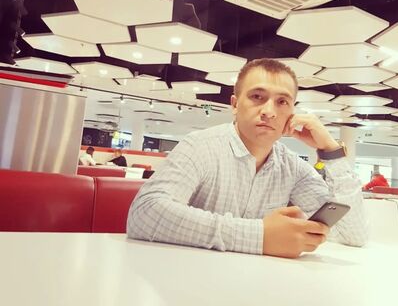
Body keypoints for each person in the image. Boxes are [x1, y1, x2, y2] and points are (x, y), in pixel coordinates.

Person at [127, 58, 368, 258]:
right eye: (257, 97)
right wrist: (259, 236)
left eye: (282, 101)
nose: (269, 111)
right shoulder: (200, 146)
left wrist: (331, 151)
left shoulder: (292, 168)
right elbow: (145, 214)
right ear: (235, 104)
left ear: (292, 113)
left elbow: (352, 235)